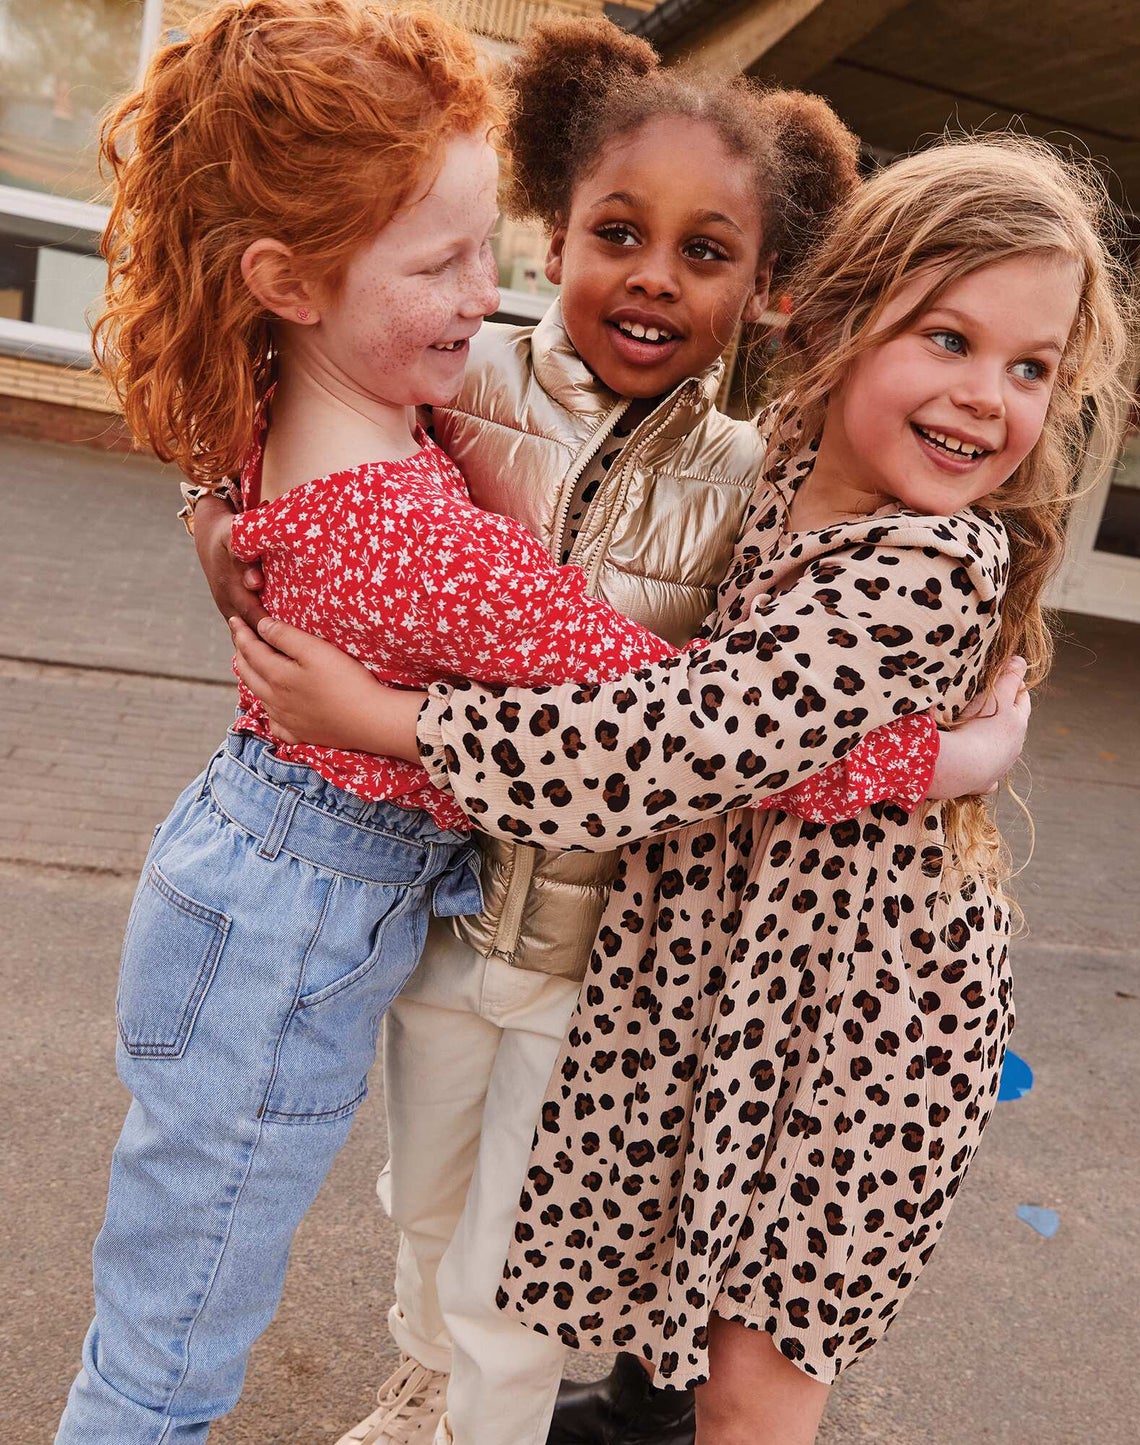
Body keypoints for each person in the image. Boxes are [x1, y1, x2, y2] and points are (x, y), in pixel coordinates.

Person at [56, 3, 976, 1439]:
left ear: (768, 285)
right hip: (344, 904)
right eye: (442, 262)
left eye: (479, 251)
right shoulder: (424, 507)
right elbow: (688, 726)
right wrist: (943, 757)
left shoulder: (374, 407)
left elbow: (230, 409)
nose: (476, 294)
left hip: (356, 893)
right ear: (287, 279)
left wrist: (233, 520)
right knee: (190, 1302)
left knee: (260, 1264)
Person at [231, 132, 1140, 1443]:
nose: (983, 397)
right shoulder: (778, 476)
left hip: (856, 1036)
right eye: (944, 338)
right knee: (652, 1333)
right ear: (831, 321)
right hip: (731, 995)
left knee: (751, 1387)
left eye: (1029, 367)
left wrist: (389, 718)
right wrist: (230, 513)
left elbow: (677, 740)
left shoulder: (930, 564)